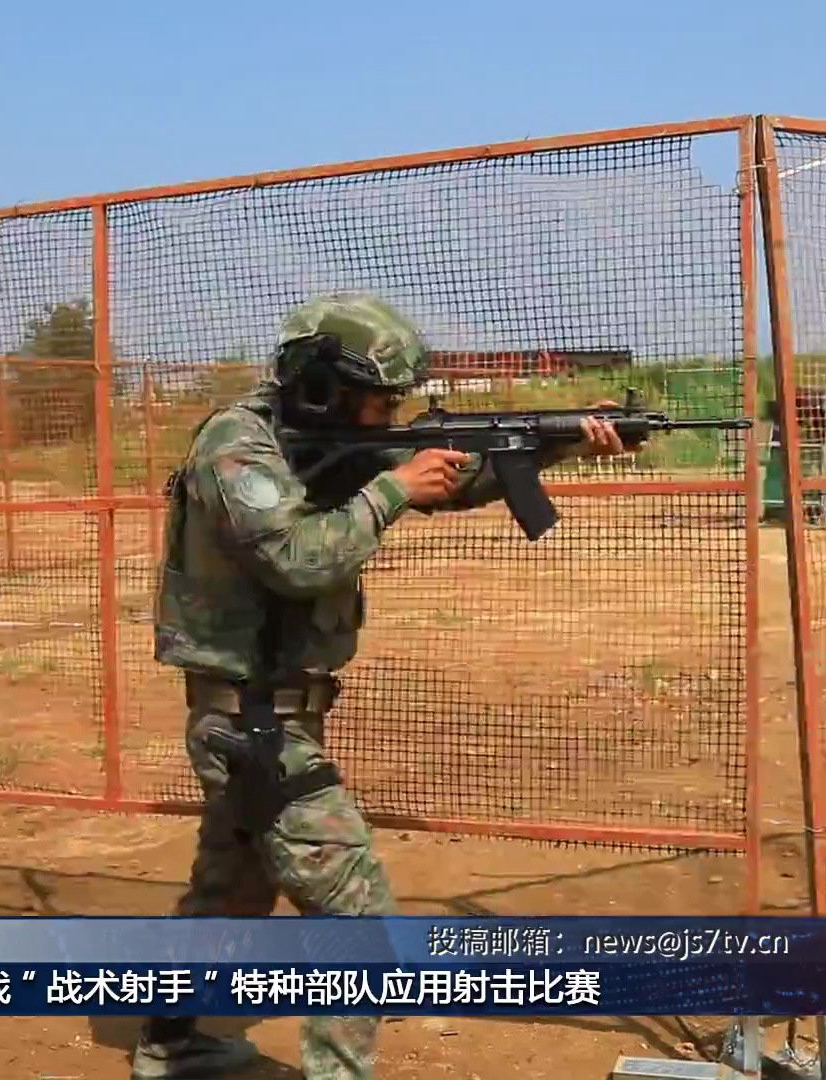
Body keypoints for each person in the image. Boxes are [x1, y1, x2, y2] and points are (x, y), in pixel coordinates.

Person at [129, 292, 624, 1080]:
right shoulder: (238, 445)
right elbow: (294, 557)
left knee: (231, 894)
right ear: (322, 385)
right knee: (354, 914)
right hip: (251, 722)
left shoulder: (330, 441)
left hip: (266, 716)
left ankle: (168, 1043)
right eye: (379, 400)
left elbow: (454, 480)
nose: (389, 416)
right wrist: (393, 490)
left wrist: (556, 440)